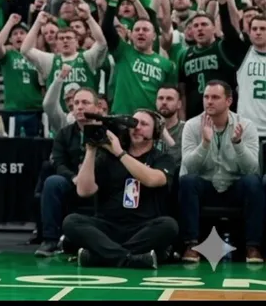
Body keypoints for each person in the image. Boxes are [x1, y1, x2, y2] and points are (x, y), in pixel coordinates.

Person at [62, 109, 177, 269]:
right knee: (71, 221)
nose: (137, 127)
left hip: (142, 227)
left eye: (144, 124)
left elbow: (152, 180)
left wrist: (120, 153)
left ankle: (101, 257)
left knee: (169, 225)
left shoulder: (162, 158)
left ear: (156, 131)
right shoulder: (107, 157)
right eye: (134, 124)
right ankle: (129, 259)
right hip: (108, 226)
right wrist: (91, 151)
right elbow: (84, 191)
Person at [178, 80, 264, 264]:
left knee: (253, 182)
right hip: (206, 187)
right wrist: (205, 143)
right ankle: (191, 245)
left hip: (234, 188)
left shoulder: (246, 126)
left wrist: (238, 144)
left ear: (228, 101)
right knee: (187, 181)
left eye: (215, 97)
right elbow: (188, 167)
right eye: (206, 97)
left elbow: (252, 168)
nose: (209, 101)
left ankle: (253, 247)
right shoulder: (192, 125)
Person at [36, 87, 99, 257]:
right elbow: (58, 162)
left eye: (85, 102)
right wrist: (73, 177)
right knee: (52, 182)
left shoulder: (108, 132)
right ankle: (50, 240)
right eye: (76, 103)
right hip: (73, 181)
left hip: (100, 182)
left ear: (97, 107)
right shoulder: (64, 133)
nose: (79, 107)